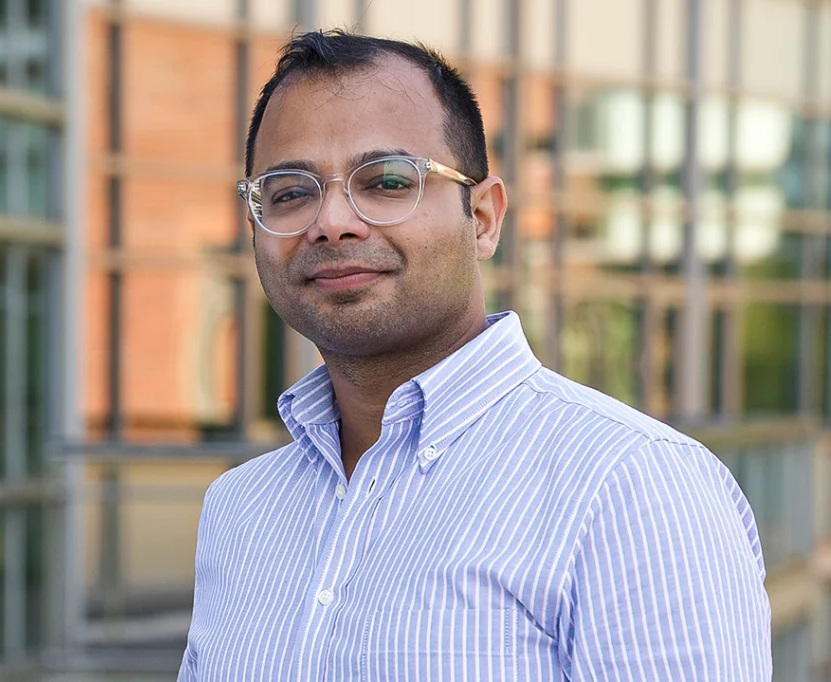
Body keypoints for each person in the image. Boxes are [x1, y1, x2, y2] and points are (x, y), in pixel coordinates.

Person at [181, 30, 771, 678]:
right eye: (289, 192)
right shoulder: (240, 510)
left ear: (484, 217)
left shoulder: (632, 486)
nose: (332, 221)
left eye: (386, 180)